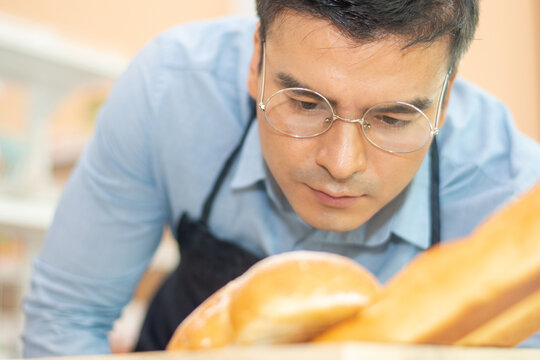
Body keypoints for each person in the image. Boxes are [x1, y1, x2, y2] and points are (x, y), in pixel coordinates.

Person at [22, 0, 540, 357]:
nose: (341, 164)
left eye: (394, 118)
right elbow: (67, 316)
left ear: (446, 100)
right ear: (256, 61)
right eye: (305, 103)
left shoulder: (513, 199)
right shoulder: (172, 90)